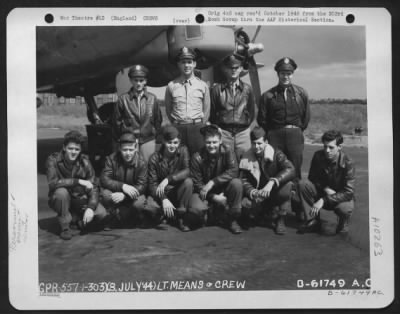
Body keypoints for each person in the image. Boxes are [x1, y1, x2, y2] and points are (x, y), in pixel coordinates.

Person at [45, 130, 107, 240]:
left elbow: (94, 186)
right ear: (64, 148)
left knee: (101, 214)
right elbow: (52, 183)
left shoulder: (85, 162)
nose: (73, 152)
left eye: (77, 149)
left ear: (80, 150)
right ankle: (65, 227)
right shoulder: (52, 160)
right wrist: (77, 181)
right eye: (70, 148)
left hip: (79, 199)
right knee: (61, 193)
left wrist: (91, 207)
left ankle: (76, 220)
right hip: (62, 198)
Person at [257, 57, 310, 180]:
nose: (285, 76)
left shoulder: (301, 93)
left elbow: (306, 117)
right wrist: (270, 134)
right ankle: (274, 196)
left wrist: (296, 131)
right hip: (275, 135)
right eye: (283, 73)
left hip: (295, 135)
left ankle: (295, 195)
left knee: (295, 168)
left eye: (289, 74)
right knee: (274, 167)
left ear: (292, 74)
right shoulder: (267, 96)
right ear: (278, 74)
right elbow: (262, 119)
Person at [239, 127, 296, 235]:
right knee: (246, 206)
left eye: (260, 143)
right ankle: (262, 212)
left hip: (273, 191)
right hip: (257, 193)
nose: (257, 147)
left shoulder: (277, 154)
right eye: (254, 144)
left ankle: (280, 219)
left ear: (266, 142)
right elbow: (242, 179)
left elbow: (291, 169)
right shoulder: (245, 156)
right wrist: (252, 191)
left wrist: (272, 182)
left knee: (287, 186)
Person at [297, 130, 355, 234]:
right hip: (323, 192)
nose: (327, 150)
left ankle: (342, 224)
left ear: (340, 147)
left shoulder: (348, 162)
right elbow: (312, 178)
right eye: (325, 146)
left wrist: (324, 200)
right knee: (303, 184)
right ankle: (312, 220)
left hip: (340, 197)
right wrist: (325, 188)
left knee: (345, 208)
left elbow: (349, 192)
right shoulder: (318, 156)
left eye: (331, 147)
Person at [189, 124, 243, 234]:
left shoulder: (228, 150)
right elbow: (197, 184)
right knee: (196, 211)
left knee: (237, 183)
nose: (211, 145)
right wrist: (213, 197)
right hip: (204, 193)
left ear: (220, 141)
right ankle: (212, 213)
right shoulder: (197, 157)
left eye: (214, 142)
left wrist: (213, 182)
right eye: (208, 142)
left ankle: (233, 219)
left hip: (223, 190)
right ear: (204, 142)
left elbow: (234, 170)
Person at [100, 132, 153, 228]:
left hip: (131, 195)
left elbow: (142, 186)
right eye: (124, 150)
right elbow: (104, 179)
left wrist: (125, 196)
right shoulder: (111, 159)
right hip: (116, 192)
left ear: (136, 148)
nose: (128, 153)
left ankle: (128, 217)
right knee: (105, 195)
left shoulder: (141, 163)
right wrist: (122, 186)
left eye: (131, 149)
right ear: (119, 148)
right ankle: (114, 216)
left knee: (139, 203)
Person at [164, 47, 210, 155]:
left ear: (194, 64)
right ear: (178, 64)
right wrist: (177, 123)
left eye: (189, 62)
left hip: (197, 128)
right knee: (179, 160)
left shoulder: (202, 86)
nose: (186, 65)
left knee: (198, 159)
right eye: (183, 62)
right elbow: (168, 109)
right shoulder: (171, 86)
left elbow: (207, 109)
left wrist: (201, 124)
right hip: (178, 127)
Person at [210, 54, 256, 160]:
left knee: (245, 163)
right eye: (230, 68)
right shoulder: (217, 90)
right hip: (224, 133)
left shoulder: (247, 89)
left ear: (241, 69)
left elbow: (251, 112)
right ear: (225, 69)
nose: (233, 70)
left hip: (242, 133)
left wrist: (245, 128)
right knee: (224, 162)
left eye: (236, 67)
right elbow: (212, 112)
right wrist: (218, 129)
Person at [112, 64, 162, 162]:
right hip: (129, 140)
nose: (138, 83)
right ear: (131, 81)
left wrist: (153, 134)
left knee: (148, 166)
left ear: (145, 81)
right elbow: (116, 122)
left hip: (148, 140)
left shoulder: (152, 98)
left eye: (141, 80)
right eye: (135, 80)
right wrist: (124, 137)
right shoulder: (123, 99)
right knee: (131, 166)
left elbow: (158, 120)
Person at [147, 125, 193, 231]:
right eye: (169, 142)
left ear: (179, 142)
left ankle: (181, 217)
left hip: (177, 191)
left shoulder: (183, 151)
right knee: (149, 208)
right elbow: (152, 185)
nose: (172, 146)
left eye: (175, 143)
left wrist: (168, 179)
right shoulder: (154, 158)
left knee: (188, 182)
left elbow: (187, 171)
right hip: (161, 193)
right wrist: (164, 199)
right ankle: (166, 214)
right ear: (163, 141)